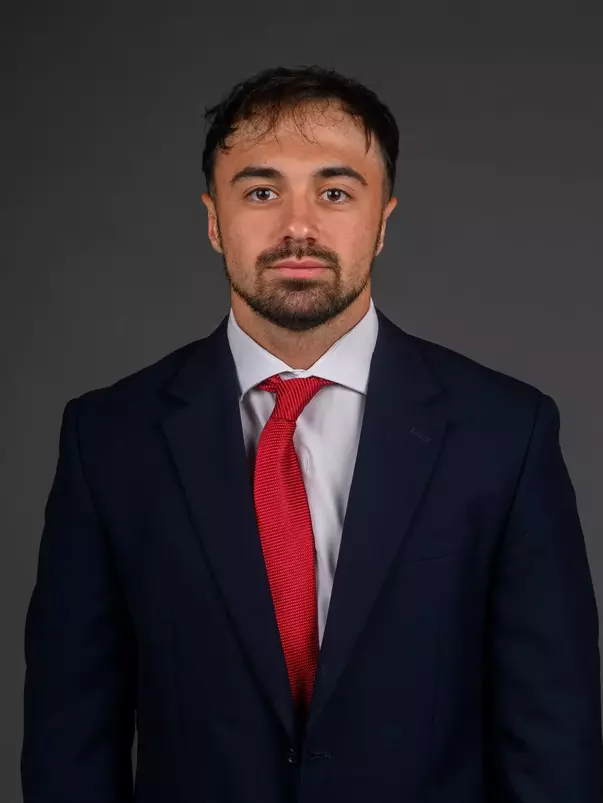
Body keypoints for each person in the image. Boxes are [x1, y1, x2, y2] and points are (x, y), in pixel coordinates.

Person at [21, 64, 602, 803]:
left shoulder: (504, 433)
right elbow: (71, 736)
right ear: (212, 219)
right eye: (261, 192)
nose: (298, 226)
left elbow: (552, 733)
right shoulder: (108, 438)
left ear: (382, 219)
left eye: (334, 192)